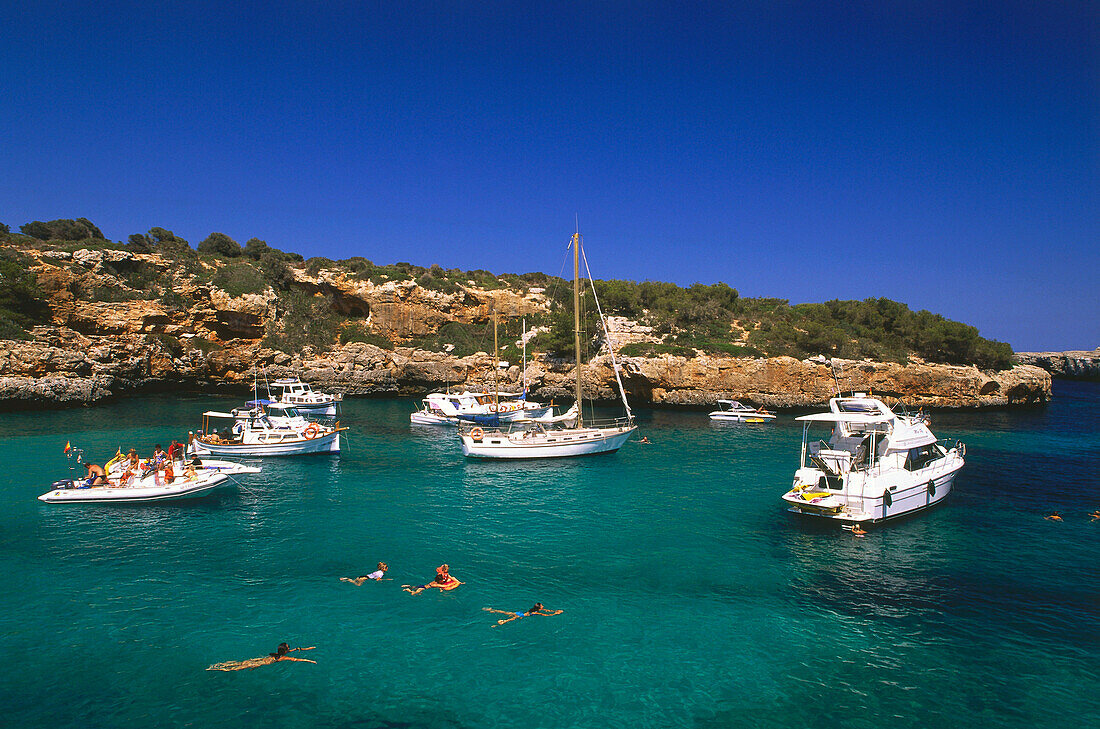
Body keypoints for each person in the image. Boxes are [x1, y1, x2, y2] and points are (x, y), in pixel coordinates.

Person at [206, 643, 316, 671]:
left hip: (259, 660)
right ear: (285, 650)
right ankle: (219, 668)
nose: (289, 648)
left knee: (239, 663)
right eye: (288, 647)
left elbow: (296, 649)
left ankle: (219, 665)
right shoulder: (282, 657)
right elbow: (295, 659)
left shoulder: (278, 654)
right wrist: (310, 661)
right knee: (237, 668)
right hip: (259, 663)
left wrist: (308, 648)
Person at [483, 602, 563, 627]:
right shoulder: (536, 612)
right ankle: (499, 623)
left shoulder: (535, 609)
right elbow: (547, 615)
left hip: (520, 613)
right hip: (522, 615)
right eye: (542, 605)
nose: (543, 606)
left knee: (506, 612)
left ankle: (493, 610)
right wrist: (556, 614)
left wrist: (555, 610)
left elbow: (547, 611)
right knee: (510, 619)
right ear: (539, 607)